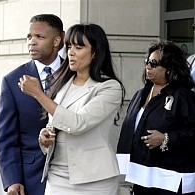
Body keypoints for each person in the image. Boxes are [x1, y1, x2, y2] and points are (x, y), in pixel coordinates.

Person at [19, 23, 125, 195]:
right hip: (58, 174)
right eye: (69, 46)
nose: (71, 52)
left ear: (95, 52)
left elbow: (77, 124)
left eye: (79, 47)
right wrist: (45, 138)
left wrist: (38, 94)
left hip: (95, 178)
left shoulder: (109, 88)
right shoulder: (62, 84)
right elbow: (56, 122)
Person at [0, 14, 64, 195]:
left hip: (72, 175)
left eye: (39, 37)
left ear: (57, 40)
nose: (31, 42)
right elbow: (6, 138)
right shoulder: (12, 81)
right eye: (29, 37)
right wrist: (12, 180)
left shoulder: (74, 74)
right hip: (32, 178)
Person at [117, 40, 195, 195]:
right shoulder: (141, 94)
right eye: (147, 62)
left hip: (172, 175)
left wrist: (166, 137)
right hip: (142, 172)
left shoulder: (184, 96)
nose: (148, 67)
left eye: (154, 63)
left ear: (170, 67)